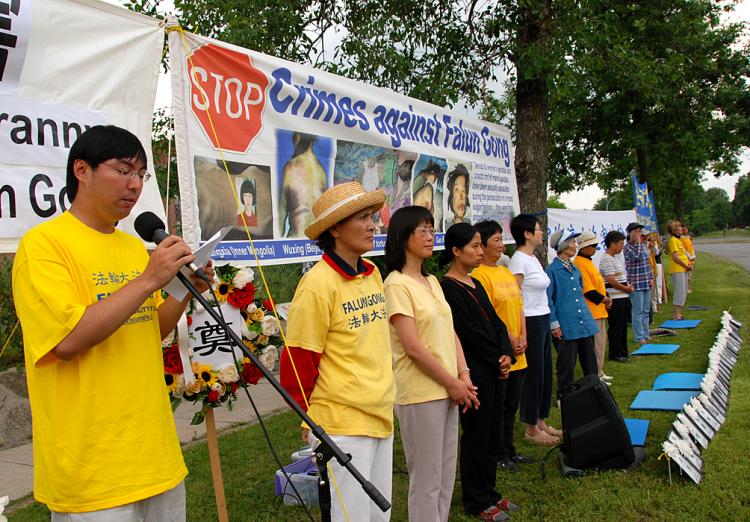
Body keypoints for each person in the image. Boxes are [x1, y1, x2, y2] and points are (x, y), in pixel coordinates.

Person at [12, 125, 214, 520]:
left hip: (155, 456)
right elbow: (66, 341)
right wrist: (148, 281)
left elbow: (149, 330)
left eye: (141, 174)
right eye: (123, 170)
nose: (134, 185)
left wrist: (183, 288)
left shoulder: (131, 247)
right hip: (94, 469)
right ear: (82, 170)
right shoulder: (43, 246)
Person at [279, 182, 396, 522]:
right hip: (342, 426)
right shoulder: (317, 284)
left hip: (381, 414)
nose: (373, 225)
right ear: (334, 229)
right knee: (351, 517)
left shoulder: (373, 273)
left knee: (378, 515)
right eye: (362, 218)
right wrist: (308, 418)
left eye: (372, 216)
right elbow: (299, 360)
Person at [383, 206, 478, 522]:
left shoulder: (433, 282)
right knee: (426, 479)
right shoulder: (396, 284)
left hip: (449, 388)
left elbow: (449, 332)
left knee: (445, 475)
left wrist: (462, 374)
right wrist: (451, 383)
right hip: (421, 393)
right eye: (421, 229)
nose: (429, 235)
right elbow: (413, 347)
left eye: (430, 228)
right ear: (402, 236)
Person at [439, 223, 516, 522]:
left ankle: (490, 492)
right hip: (475, 372)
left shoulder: (475, 282)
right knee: (477, 435)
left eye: (480, 246)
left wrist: (506, 353)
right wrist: (496, 357)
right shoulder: (448, 288)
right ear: (456, 251)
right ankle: (475, 499)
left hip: (495, 367)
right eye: (474, 246)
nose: (480, 251)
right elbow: (468, 333)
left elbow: (495, 323)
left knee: (493, 432)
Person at [472, 220, 535, 473]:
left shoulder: (505, 271)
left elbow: (519, 306)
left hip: (518, 347)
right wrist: (510, 339)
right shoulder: (478, 276)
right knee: (498, 406)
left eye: (501, 239)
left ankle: (510, 450)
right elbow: (489, 315)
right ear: (482, 245)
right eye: (496, 240)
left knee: (511, 404)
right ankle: (498, 453)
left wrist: (523, 335)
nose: (501, 245)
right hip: (501, 350)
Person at [508, 214, 560, 446]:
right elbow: (514, 295)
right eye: (538, 229)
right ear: (527, 234)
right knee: (533, 374)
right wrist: (520, 329)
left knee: (544, 372)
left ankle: (540, 420)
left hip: (542, 317)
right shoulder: (518, 260)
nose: (541, 233)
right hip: (528, 320)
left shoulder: (533, 258)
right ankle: (530, 426)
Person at [547, 230, 598, 400]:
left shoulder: (575, 269)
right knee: (566, 365)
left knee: (590, 361)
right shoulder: (552, 271)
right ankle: (564, 396)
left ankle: (594, 392)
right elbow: (548, 299)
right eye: (572, 242)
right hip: (566, 326)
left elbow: (580, 293)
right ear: (563, 246)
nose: (576, 245)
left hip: (584, 323)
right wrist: (554, 324)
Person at [573, 231, 613, 384]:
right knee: (596, 345)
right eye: (592, 246)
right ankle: (596, 375)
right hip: (592, 310)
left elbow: (597, 284)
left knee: (602, 343)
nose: (595, 248)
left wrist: (605, 298)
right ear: (584, 247)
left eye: (596, 245)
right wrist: (604, 299)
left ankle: (600, 372)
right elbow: (588, 290)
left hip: (599, 309)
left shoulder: (588, 262)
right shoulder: (579, 263)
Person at [599, 230, 633, 362]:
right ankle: (615, 353)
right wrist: (626, 288)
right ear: (612, 244)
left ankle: (622, 351)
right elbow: (611, 280)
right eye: (620, 243)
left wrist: (627, 287)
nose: (622, 246)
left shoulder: (614, 258)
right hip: (615, 299)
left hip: (622, 297)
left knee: (622, 326)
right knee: (616, 327)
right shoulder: (607, 259)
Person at [623, 222, 655, 345]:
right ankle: (639, 337)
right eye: (636, 231)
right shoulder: (627, 248)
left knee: (646, 310)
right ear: (630, 233)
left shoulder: (644, 246)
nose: (638, 234)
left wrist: (651, 277)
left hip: (646, 281)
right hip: (635, 283)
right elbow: (638, 257)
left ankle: (646, 334)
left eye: (640, 231)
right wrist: (639, 243)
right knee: (638, 311)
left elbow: (647, 263)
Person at [667, 220, 692, 320]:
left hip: (683, 269)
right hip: (678, 269)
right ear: (675, 230)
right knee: (679, 291)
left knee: (684, 290)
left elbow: (683, 254)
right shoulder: (673, 240)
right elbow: (675, 257)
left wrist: (688, 263)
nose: (682, 229)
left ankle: (679, 313)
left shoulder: (679, 240)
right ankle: (676, 314)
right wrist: (686, 266)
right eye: (680, 227)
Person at [681, 225, 696, 293]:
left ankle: (689, 287)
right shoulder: (681, 238)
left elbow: (691, 247)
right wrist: (689, 256)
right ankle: (686, 288)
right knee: (687, 275)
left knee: (690, 275)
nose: (685, 231)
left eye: (686, 229)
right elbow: (683, 249)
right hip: (686, 259)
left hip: (691, 259)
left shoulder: (689, 237)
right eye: (683, 230)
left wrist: (693, 256)